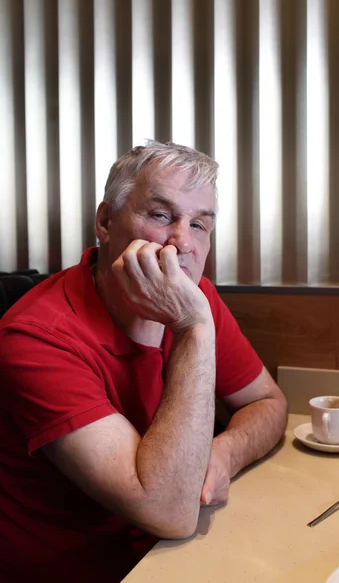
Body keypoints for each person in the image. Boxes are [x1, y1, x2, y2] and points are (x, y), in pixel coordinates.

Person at [0, 141, 288, 583]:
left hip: (168, 557)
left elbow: (268, 401)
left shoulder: (196, 298)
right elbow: (169, 512)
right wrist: (193, 327)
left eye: (199, 224)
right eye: (160, 215)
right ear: (105, 221)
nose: (182, 244)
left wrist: (223, 453)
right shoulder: (35, 336)